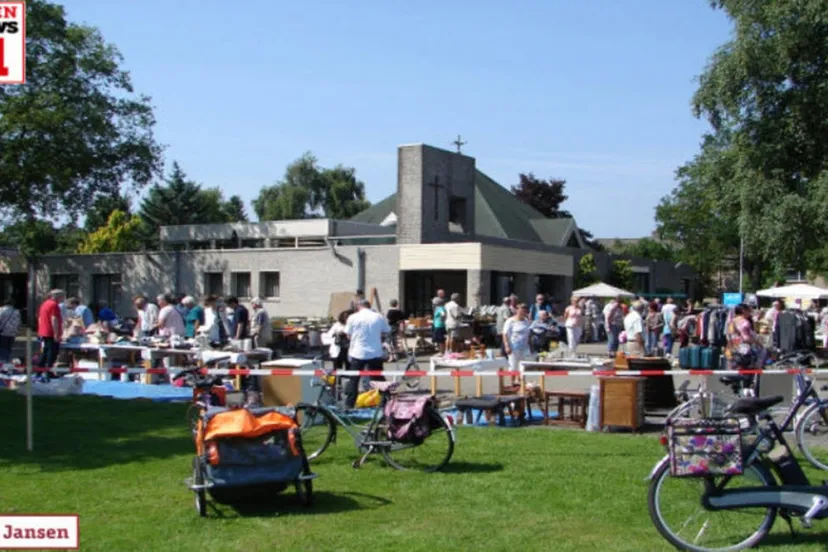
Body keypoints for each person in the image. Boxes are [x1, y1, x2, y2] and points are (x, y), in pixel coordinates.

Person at [343, 299, 391, 408]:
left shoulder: (353, 317)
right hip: (375, 352)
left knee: (354, 380)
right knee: (378, 378)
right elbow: (387, 330)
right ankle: (385, 400)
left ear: (358, 306)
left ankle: (349, 404)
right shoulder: (378, 316)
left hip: (358, 352)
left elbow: (348, 334)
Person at [728, 304, 767, 369]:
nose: (750, 313)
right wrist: (758, 342)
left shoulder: (732, 322)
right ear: (744, 311)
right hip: (745, 350)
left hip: (734, 348)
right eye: (748, 311)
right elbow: (746, 338)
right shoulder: (745, 322)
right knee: (763, 351)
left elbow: (730, 335)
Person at [503, 303, 531, 384]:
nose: (523, 313)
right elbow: (505, 334)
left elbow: (528, 333)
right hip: (513, 346)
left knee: (522, 366)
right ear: (517, 311)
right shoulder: (510, 321)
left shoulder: (526, 321)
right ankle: (512, 382)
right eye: (521, 311)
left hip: (524, 347)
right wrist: (507, 346)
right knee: (513, 365)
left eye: (524, 311)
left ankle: (520, 381)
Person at [38, 289, 64, 370]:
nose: (63, 299)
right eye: (62, 297)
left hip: (44, 331)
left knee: (45, 351)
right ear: (58, 296)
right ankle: (49, 370)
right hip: (51, 332)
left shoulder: (44, 304)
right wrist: (56, 333)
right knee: (52, 352)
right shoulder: (54, 305)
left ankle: (39, 369)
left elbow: (40, 318)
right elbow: (54, 319)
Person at [0, 298, 21, 362]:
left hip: (3, 332)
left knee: (2, 348)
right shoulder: (16, 312)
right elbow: (19, 323)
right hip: (12, 333)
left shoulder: (1, 310)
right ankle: (7, 361)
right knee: (9, 348)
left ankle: (3, 362)